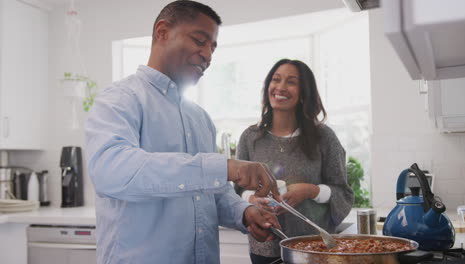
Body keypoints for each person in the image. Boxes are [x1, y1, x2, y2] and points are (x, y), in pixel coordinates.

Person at [85, 1, 282, 263]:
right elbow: (111, 171)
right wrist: (224, 167)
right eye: (200, 41)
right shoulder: (120, 99)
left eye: (212, 48)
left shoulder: (200, 118)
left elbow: (212, 193)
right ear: (162, 32)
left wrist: (244, 213)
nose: (208, 56)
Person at [235, 59, 354, 263]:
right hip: (263, 248)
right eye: (276, 79)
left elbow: (343, 193)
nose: (280, 87)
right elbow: (237, 190)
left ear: (303, 94)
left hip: (314, 250)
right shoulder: (250, 137)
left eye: (291, 82)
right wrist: (252, 199)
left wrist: (311, 191)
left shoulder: (324, 138)